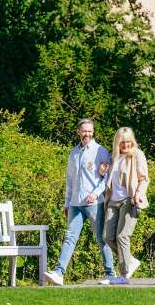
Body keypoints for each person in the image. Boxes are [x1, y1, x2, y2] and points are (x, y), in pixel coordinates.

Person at [45, 118, 115, 286]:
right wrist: (67, 203)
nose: (87, 134)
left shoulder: (101, 151)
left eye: (90, 131)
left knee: (101, 238)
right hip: (76, 204)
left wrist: (96, 193)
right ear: (78, 132)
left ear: (93, 132)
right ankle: (59, 273)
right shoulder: (73, 153)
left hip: (94, 203)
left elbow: (107, 178)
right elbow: (70, 180)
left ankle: (110, 273)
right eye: (84, 131)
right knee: (69, 237)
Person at [102, 127, 148, 285]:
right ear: (117, 143)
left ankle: (124, 275)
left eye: (129, 142)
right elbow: (110, 178)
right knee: (107, 237)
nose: (126, 146)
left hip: (130, 200)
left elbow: (144, 179)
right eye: (123, 143)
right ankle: (130, 261)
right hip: (113, 201)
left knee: (122, 236)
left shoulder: (137, 155)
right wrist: (103, 172)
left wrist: (139, 194)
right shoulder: (114, 157)